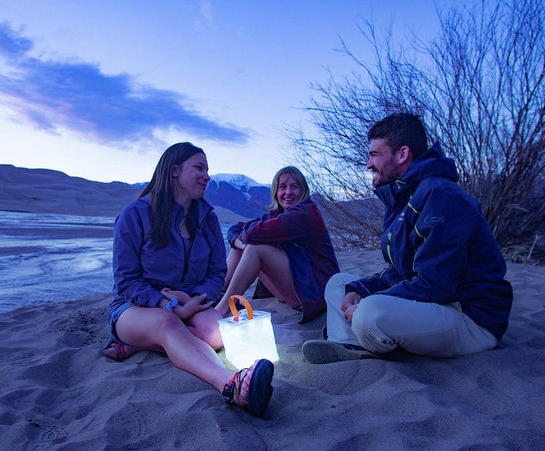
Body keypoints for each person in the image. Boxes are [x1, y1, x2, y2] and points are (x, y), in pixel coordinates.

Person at [302, 113, 513, 363]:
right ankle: (347, 344)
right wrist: (360, 289)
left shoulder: (441, 196)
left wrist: (369, 299)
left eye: (374, 155)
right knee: (339, 283)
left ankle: (361, 340)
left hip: (469, 318)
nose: (369, 164)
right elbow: (402, 271)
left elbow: (436, 285)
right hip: (437, 303)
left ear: (402, 155)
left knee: (369, 313)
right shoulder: (404, 198)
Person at [104, 142, 274, 417]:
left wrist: (194, 300)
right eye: (199, 167)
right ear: (174, 171)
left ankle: (138, 345)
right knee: (167, 323)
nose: (207, 176)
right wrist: (167, 304)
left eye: (207, 169)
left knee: (219, 334)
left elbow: (217, 273)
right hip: (134, 308)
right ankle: (230, 384)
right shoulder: (134, 215)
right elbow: (126, 281)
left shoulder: (206, 219)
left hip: (191, 304)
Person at [215, 166, 340, 323]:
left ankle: (223, 308)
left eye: (295, 187)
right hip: (295, 288)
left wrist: (245, 243)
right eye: (283, 187)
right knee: (243, 247)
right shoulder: (278, 215)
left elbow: (249, 233)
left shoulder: (305, 214)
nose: (288, 192)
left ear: (304, 191)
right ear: (275, 191)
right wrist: (241, 244)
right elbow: (235, 229)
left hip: (314, 293)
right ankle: (218, 292)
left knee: (254, 248)